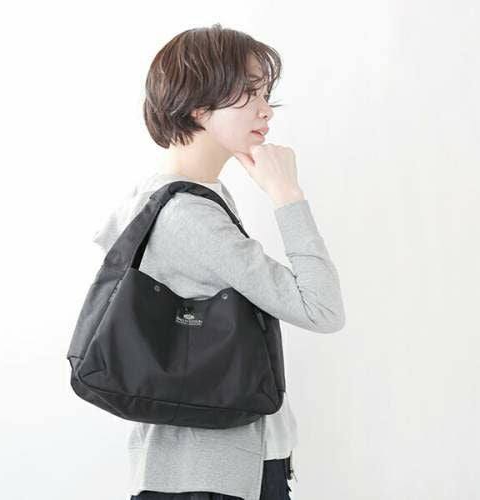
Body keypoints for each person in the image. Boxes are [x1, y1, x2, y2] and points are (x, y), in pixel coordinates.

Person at [92, 22, 346, 500]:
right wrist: (287, 195)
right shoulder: (188, 216)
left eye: (266, 94)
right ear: (198, 105)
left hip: (202, 470)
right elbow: (322, 308)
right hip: (213, 479)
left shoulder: (167, 196)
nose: (266, 110)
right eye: (249, 93)